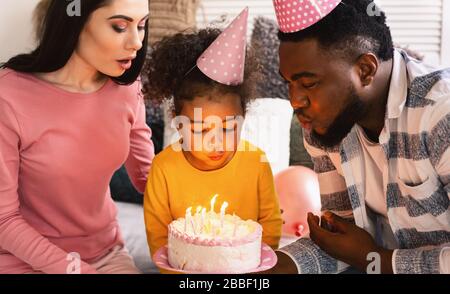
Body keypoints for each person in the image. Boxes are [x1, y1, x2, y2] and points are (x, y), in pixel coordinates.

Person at [268, 0, 450, 274]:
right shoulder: (325, 127)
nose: (295, 101)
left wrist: (374, 258)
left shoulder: (439, 114)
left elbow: (361, 256)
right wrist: (254, 271)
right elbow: (340, 241)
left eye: (308, 83)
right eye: (289, 83)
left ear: (365, 70)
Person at [0, 0, 154, 273]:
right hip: (22, 259)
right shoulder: (8, 96)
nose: (136, 42)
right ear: (76, 21)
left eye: (141, 26)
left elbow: (148, 179)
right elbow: (4, 220)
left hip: (104, 253)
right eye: (120, 27)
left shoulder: (127, 88)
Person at [142, 9, 282, 270]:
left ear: (243, 115)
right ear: (177, 119)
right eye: (200, 130)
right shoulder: (163, 169)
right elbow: (159, 237)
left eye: (228, 128)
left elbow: (271, 225)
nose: (216, 143)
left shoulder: (257, 162)